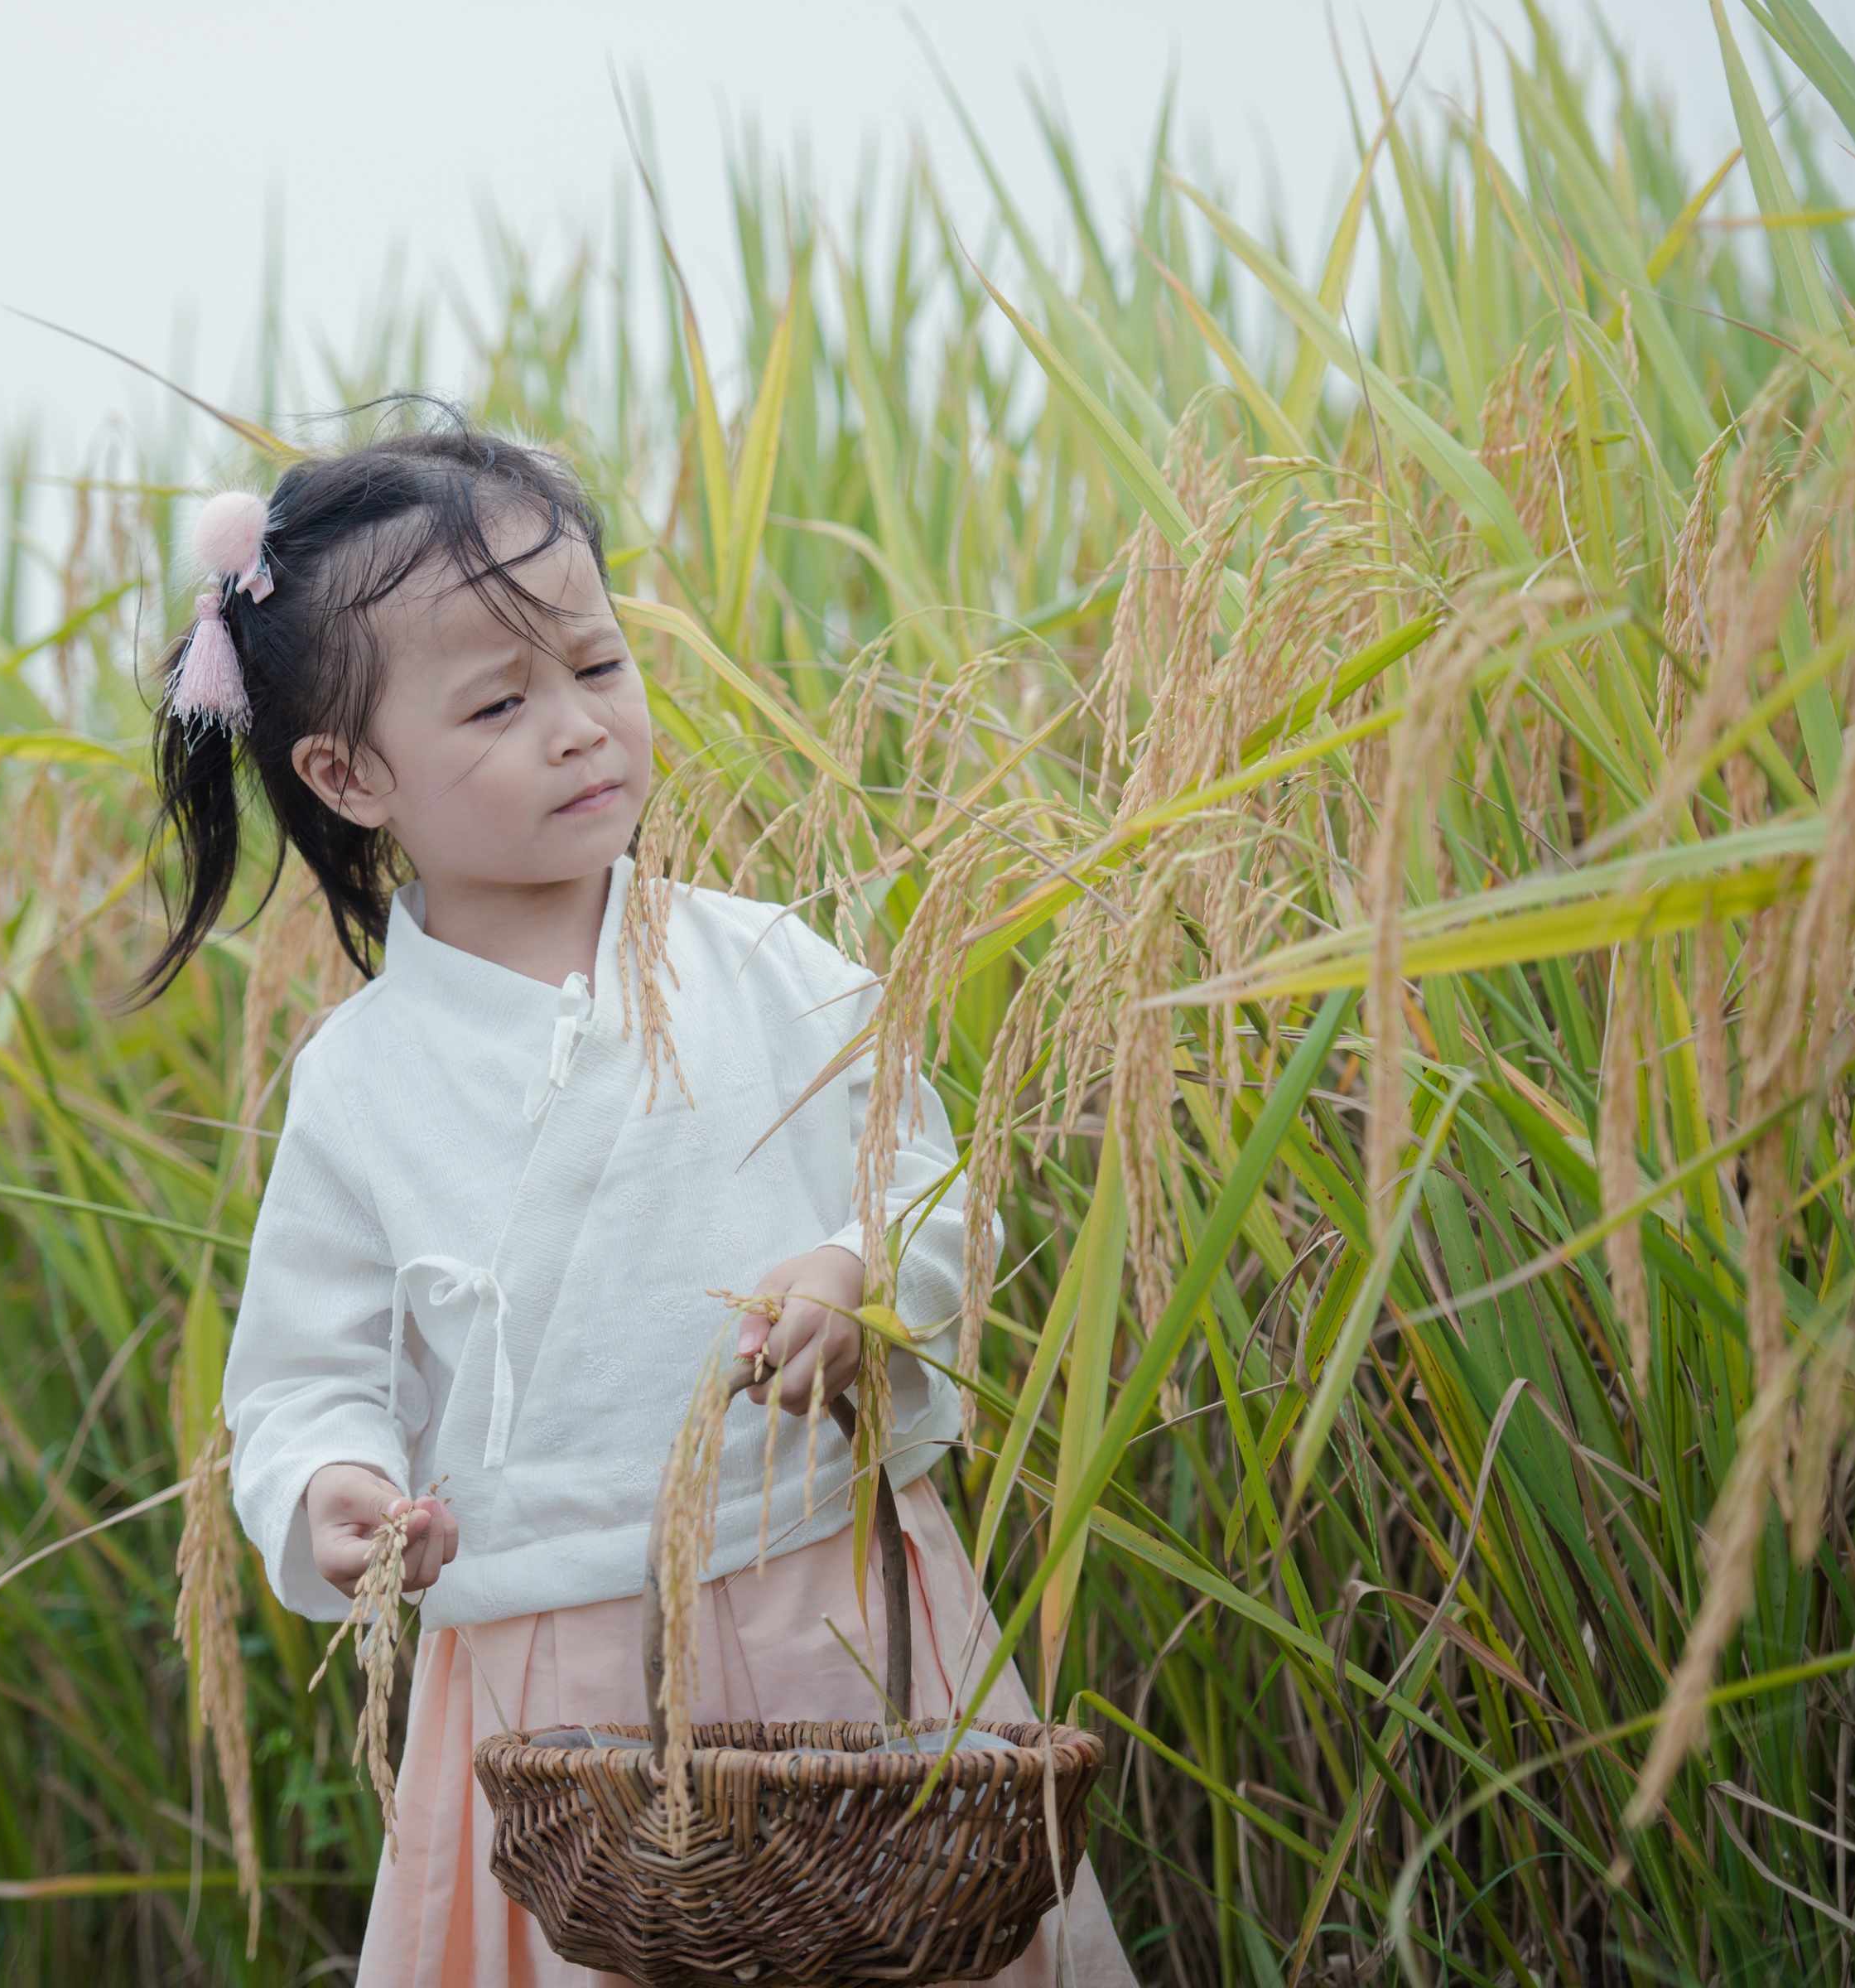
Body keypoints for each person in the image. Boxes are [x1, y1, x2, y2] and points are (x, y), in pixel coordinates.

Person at [141, 406, 1132, 1986]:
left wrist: (856, 1272)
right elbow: (305, 1376)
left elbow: (941, 1192)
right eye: (499, 703)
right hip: (556, 1675)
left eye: (598, 669)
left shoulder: (764, 967)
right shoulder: (360, 1082)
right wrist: (331, 1489)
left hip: (838, 1601)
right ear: (347, 773)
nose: (579, 727)